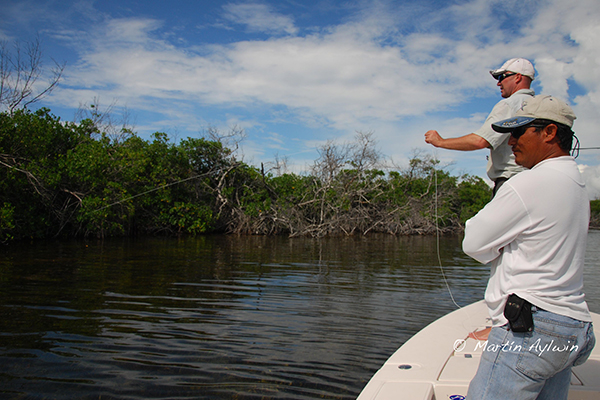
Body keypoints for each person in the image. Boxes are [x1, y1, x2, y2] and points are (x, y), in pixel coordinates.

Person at [462, 95, 596, 400]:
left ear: (549, 132)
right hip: (571, 328)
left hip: (531, 330)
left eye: (519, 132)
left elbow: (473, 243)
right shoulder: (577, 184)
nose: (510, 142)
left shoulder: (526, 183)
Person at [425, 58, 536, 196]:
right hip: (534, 182)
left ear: (518, 77)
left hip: (511, 182)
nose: (498, 83)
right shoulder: (538, 105)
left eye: (502, 77)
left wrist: (440, 142)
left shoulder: (509, 104)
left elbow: (481, 140)